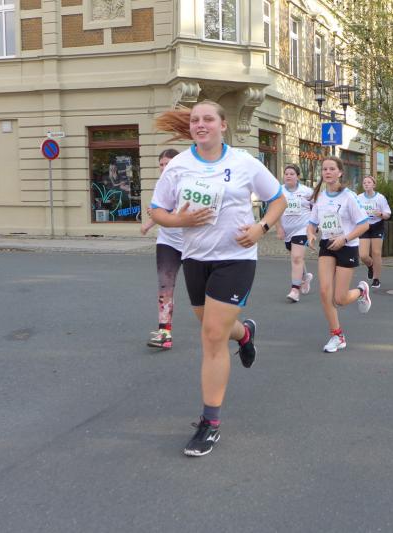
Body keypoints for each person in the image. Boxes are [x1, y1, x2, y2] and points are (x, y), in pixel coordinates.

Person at [150, 100, 286, 457]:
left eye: (208, 119)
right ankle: (245, 333)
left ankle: (210, 423)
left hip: (236, 258)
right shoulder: (178, 166)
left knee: (211, 335)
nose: (200, 124)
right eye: (195, 120)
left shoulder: (243, 162)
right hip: (196, 258)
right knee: (214, 326)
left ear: (223, 125)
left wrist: (260, 228)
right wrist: (179, 221)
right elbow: (156, 209)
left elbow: (278, 199)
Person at [307, 156, 372, 353]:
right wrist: (310, 235)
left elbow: (364, 225)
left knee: (340, 299)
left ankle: (361, 291)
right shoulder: (320, 197)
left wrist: (345, 238)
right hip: (327, 245)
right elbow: (312, 223)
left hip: (347, 246)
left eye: (331, 169)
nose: (327, 172)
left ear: (340, 172)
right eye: (324, 169)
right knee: (324, 291)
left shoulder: (348, 197)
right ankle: (337, 335)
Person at [140, 148, 183, 349]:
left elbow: (173, 212)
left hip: (193, 243)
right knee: (165, 286)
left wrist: (162, 214)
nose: (165, 168)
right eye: (161, 165)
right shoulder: (161, 185)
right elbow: (159, 211)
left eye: (168, 164)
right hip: (167, 241)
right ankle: (165, 333)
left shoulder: (188, 183)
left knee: (201, 290)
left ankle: (218, 325)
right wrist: (148, 224)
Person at [276, 164, 314, 302]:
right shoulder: (278, 191)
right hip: (287, 230)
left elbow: (316, 208)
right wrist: (279, 227)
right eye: (286, 174)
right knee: (295, 256)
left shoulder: (307, 191)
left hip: (302, 228)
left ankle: (294, 290)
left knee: (297, 257)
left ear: (298, 176)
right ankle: (304, 276)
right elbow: (273, 210)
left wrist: (313, 228)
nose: (288, 176)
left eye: (292, 174)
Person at [357, 175, 391, 289]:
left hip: (377, 225)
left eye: (369, 182)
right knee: (363, 255)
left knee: (376, 253)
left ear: (374, 185)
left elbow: (387, 214)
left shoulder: (380, 198)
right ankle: (370, 265)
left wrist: (380, 214)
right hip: (364, 226)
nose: (366, 184)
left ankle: (376, 279)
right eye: (364, 183)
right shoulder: (359, 198)